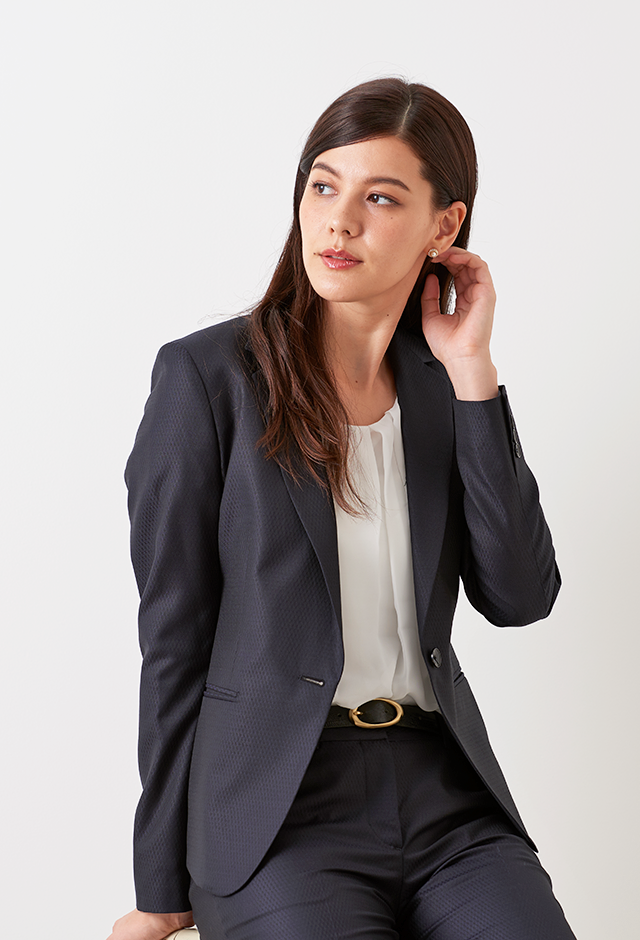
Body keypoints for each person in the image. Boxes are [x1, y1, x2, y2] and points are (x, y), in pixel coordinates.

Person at [109, 78, 576, 940]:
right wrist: (159, 884)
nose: (338, 222)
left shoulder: (443, 386)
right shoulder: (208, 380)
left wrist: (473, 375)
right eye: (323, 187)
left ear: (444, 226)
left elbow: (519, 596)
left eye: (381, 198)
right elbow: (172, 640)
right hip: (277, 811)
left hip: (447, 798)